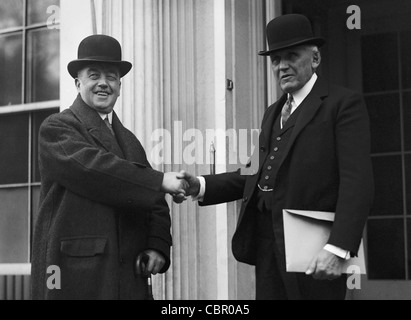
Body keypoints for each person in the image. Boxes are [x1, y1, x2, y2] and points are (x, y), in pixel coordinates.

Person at [178, 14, 374, 300]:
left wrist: (337, 248)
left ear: (315, 57)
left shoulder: (342, 104)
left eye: (292, 56)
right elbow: (256, 173)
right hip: (267, 246)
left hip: (315, 251)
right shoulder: (273, 111)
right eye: (275, 59)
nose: (282, 66)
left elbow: (357, 182)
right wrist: (201, 185)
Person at [31, 34, 187, 300]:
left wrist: (157, 245)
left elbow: (156, 203)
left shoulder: (129, 141)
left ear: (120, 86)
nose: (104, 83)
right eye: (94, 75)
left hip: (129, 279)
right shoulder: (57, 128)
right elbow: (94, 170)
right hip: (73, 275)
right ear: (78, 82)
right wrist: (159, 180)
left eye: (112, 77)